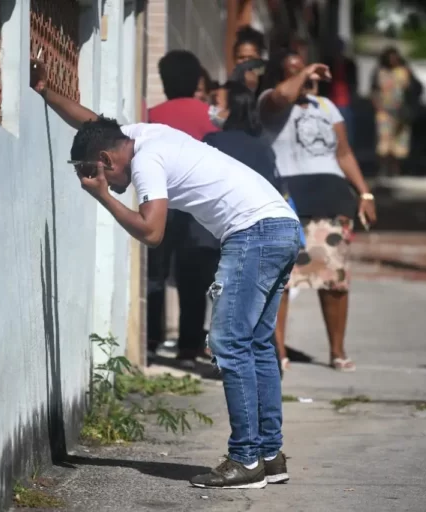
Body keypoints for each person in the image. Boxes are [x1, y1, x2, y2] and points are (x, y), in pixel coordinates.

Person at [31, 58, 300, 489]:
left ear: (105, 159)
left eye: (100, 173)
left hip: (253, 232)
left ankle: (246, 459)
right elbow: (93, 125)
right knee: (255, 345)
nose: (114, 183)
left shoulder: (147, 160)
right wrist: (45, 91)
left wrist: (103, 198)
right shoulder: (136, 135)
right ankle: (269, 455)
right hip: (282, 224)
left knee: (229, 343)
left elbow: (153, 232)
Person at [258, 49, 377, 373]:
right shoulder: (270, 101)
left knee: (334, 280)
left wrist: (364, 193)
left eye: (310, 74)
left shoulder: (326, 106)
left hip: (331, 197)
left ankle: (337, 351)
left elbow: (344, 153)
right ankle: (277, 350)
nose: (308, 79)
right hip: (288, 199)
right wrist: (307, 68)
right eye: (297, 72)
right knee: (282, 283)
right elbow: (283, 94)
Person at [148, 51, 220, 366]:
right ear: (196, 81)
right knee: (195, 277)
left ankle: (150, 340)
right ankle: (189, 346)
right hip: (197, 207)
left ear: (164, 82)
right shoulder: (212, 118)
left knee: (156, 274)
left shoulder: (149, 115)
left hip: (158, 202)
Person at [203, 81, 279, 190]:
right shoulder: (264, 146)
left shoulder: (213, 143)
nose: (211, 108)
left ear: (232, 108)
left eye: (216, 103)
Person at [370, 46, 421, 176]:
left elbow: (416, 88)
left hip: (401, 112)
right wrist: (376, 104)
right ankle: (383, 168)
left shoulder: (404, 71)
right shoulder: (380, 71)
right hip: (384, 112)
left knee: (399, 143)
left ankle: (396, 169)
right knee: (384, 142)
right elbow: (374, 90)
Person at [233, 26, 267, 92]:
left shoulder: (269, 79)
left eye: (251, 58)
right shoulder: (231, 84)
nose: (246, 61)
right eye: (241, 57)